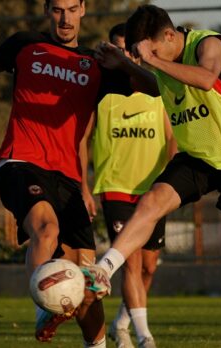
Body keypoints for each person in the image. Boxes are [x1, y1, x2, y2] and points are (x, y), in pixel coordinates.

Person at [0, 1, 153, 346]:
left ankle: (98, 344)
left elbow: (152, 87)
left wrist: (122, 62)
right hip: (20, 162)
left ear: (83, 11)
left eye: (72, 9)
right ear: (48, 10)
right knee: (46, 228)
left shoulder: (95, 64)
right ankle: (43, 311)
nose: (65, 17)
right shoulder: (24, 44)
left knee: (86, 286)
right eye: (58, 9)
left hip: (66, 179)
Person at [89, 5, 221, 348]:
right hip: (199, 155)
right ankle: (103, 271)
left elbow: (206, 79)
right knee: (153, 201)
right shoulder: (163, 63)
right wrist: (125, 64)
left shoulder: (209, 45)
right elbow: (154, 85)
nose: (150, 59)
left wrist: (153, 60)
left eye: (154, 50)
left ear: (170, 36)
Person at [87, 23, 175, 348]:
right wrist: (84, 186)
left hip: (153, 191)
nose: (126, 56)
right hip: (116, 187)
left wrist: (172, 182)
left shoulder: (157, 93)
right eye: (118, 50)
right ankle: (143, 336)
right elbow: (82, 139)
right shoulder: (104, 95)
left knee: (149, 266)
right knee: (132, 262)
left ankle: (121, 323)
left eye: (129, 50)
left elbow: (172, 141)